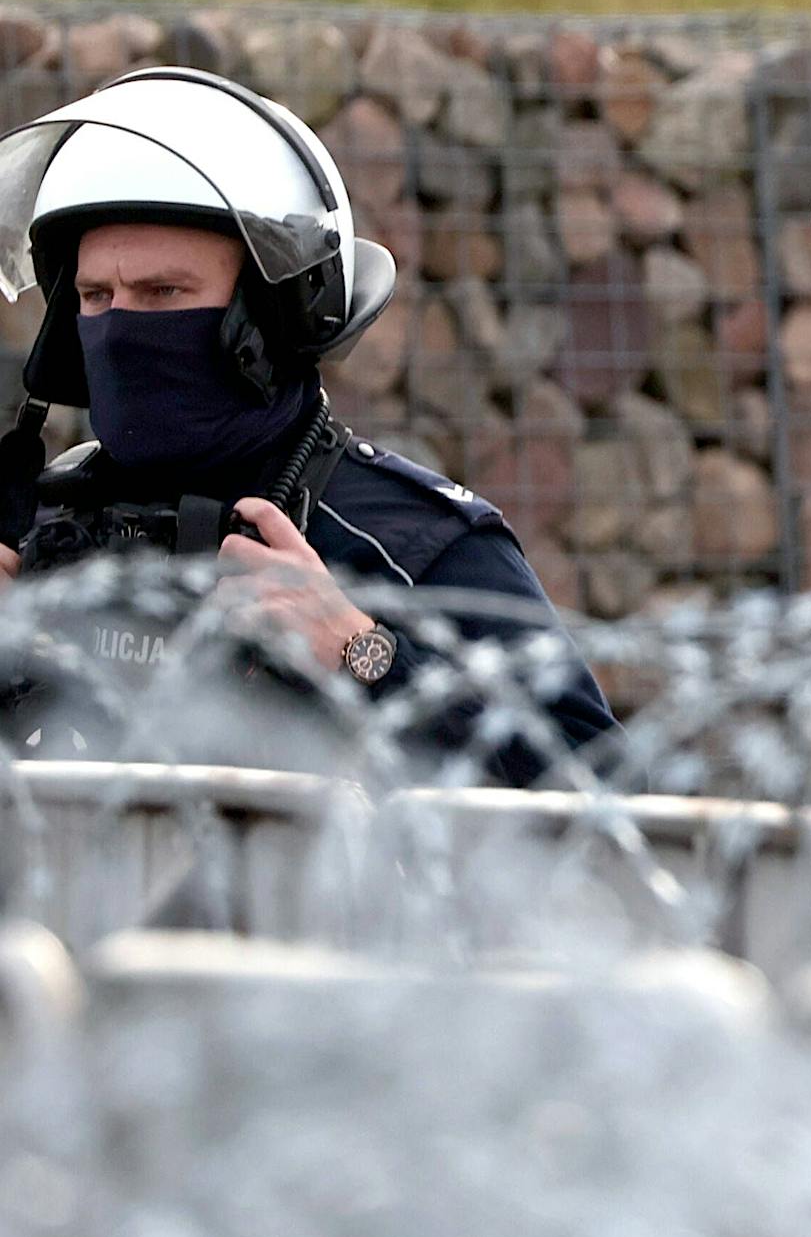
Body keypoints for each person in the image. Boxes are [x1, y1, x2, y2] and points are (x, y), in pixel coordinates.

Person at [0, 67, 615, 784]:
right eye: (96, 296)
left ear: (265, 321)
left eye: (164, 292)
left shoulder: (408, 542)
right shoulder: (39, 525)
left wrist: (362, 654)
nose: (121, 327)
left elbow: (607, 802)